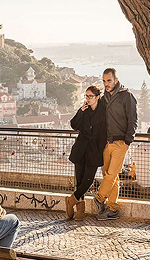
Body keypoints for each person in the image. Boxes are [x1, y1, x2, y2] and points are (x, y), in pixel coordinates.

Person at [94, 68, 137, 221]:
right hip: (106, 143)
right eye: (104, 81)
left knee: (111, 174)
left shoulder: (127, 96)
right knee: (110, 176)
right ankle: (112, 209)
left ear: (116, 80)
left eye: (109, 80)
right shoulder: (104, 97)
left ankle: (99, 198)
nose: (106, 84)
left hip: (120, 143)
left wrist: (127, 142)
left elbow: (133, 120)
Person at [65, 85, 106, 220]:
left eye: (90, 96)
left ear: (97, 97)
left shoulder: (104, 111)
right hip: (81, 147)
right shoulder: (84, 110)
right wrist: (80, 112)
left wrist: (101, 150)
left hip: (94, 149)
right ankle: (80, 211)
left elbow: (104, 133)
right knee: (80, 179)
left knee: (88, 181)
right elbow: (74, 125)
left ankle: (71, 200)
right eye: (86, 96)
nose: (88, 99)